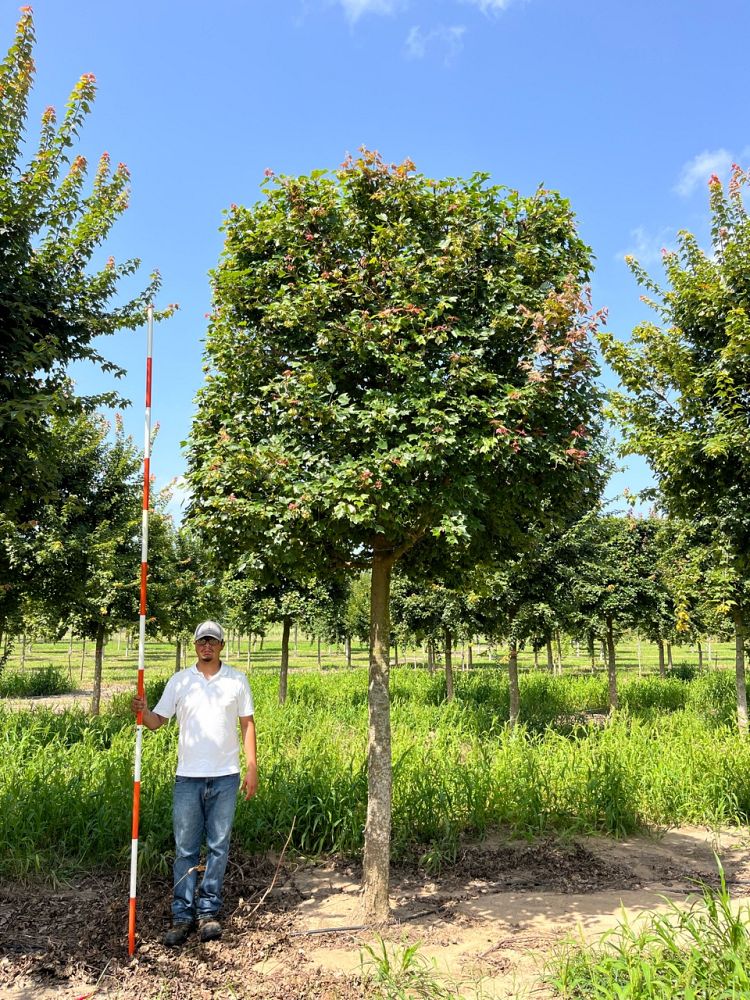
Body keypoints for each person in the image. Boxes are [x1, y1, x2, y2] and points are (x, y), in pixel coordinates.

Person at [131, 620, 257, 946]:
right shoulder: (180, 681)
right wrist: (142, 712)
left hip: (226, 776)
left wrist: (252, 767)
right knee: (185, 848)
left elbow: (247, 725)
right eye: (202, 640)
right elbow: (157, 722)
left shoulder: (237, 681)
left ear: (221, 646)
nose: (207, 646)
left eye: (212, 641)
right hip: (188, 777)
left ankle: (208, 912)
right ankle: (182, 915)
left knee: (218, 846)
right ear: (195, 645)